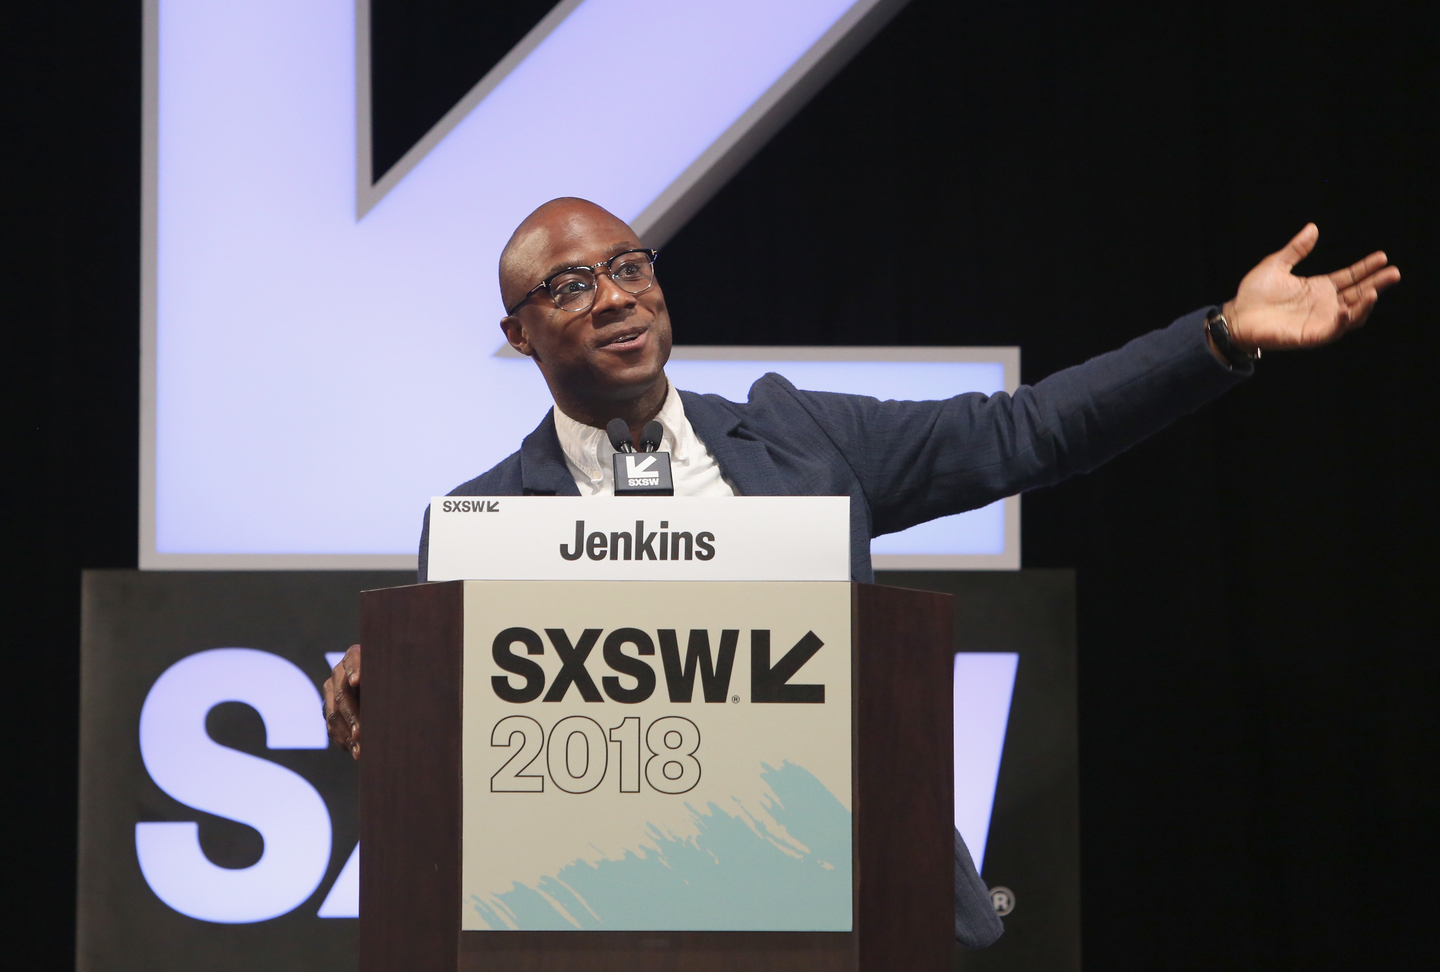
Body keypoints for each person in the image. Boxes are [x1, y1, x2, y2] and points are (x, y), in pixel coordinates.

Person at [323, 196, 1398, 945]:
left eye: (631, 265)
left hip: (841, 907)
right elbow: (468, 745)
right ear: (518, 334)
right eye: (568, 285)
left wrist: (1216, 336)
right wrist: (395, 672)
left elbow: (1026, 434)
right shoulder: (483, 522)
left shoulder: (802, 441)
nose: (614, 296)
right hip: (606, 925)